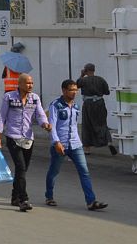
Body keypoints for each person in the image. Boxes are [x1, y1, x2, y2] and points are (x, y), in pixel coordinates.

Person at [45, 79, 109, 211]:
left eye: (75, 90)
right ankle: (49, 196)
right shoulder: (55, 105)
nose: (74, 93)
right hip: (60, 145)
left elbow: (74, 126)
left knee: (84, 172)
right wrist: (56, 142)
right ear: (63, 90)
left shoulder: (76, 106)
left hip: (75, 144)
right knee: (54, 171)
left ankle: (91, 201)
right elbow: (52, 126)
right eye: (71, 90)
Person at [0, 73, 51, 212]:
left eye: (31, 83)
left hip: (28, 138)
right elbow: (2, 116)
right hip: (13, 136)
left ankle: (14, 196)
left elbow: (40, 115)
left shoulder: (35, 98)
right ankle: (23, 199)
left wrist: (45, 124)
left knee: (23, 170)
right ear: (19, 84)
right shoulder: (9, 97)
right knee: (20, 167)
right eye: (27, 83)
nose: (30, 85)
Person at [76, 63, 117, 155]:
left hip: (88, 104)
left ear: (86, 70)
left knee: (87, 125)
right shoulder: (101, 79)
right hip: (100, 103)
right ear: (94, 70)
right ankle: (109, 142)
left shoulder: (83, 80)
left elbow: (76, 86)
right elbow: (107, 92)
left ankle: (87, 149)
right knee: (102, 123)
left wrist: (82, 75)